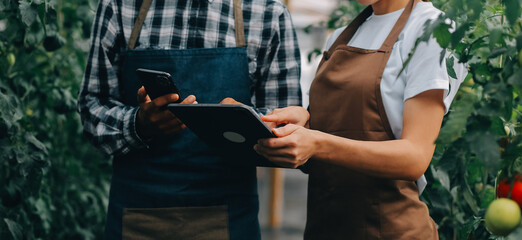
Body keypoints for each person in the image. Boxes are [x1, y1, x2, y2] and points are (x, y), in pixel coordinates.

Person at [77, 0, 301, 239]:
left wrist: (244, 119)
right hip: (137, 216)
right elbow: (93, 107)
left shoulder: (267, 13)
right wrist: (138, 124)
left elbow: (288, 127)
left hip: (228, 217)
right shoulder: (121, 6)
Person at [254, 0, 467, 238]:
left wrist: (317, 143)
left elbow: (415, 156)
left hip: (390, 230)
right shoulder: (340, 37)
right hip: (325, 229)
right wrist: (302, 124)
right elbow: (336, 134)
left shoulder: (433, 30)